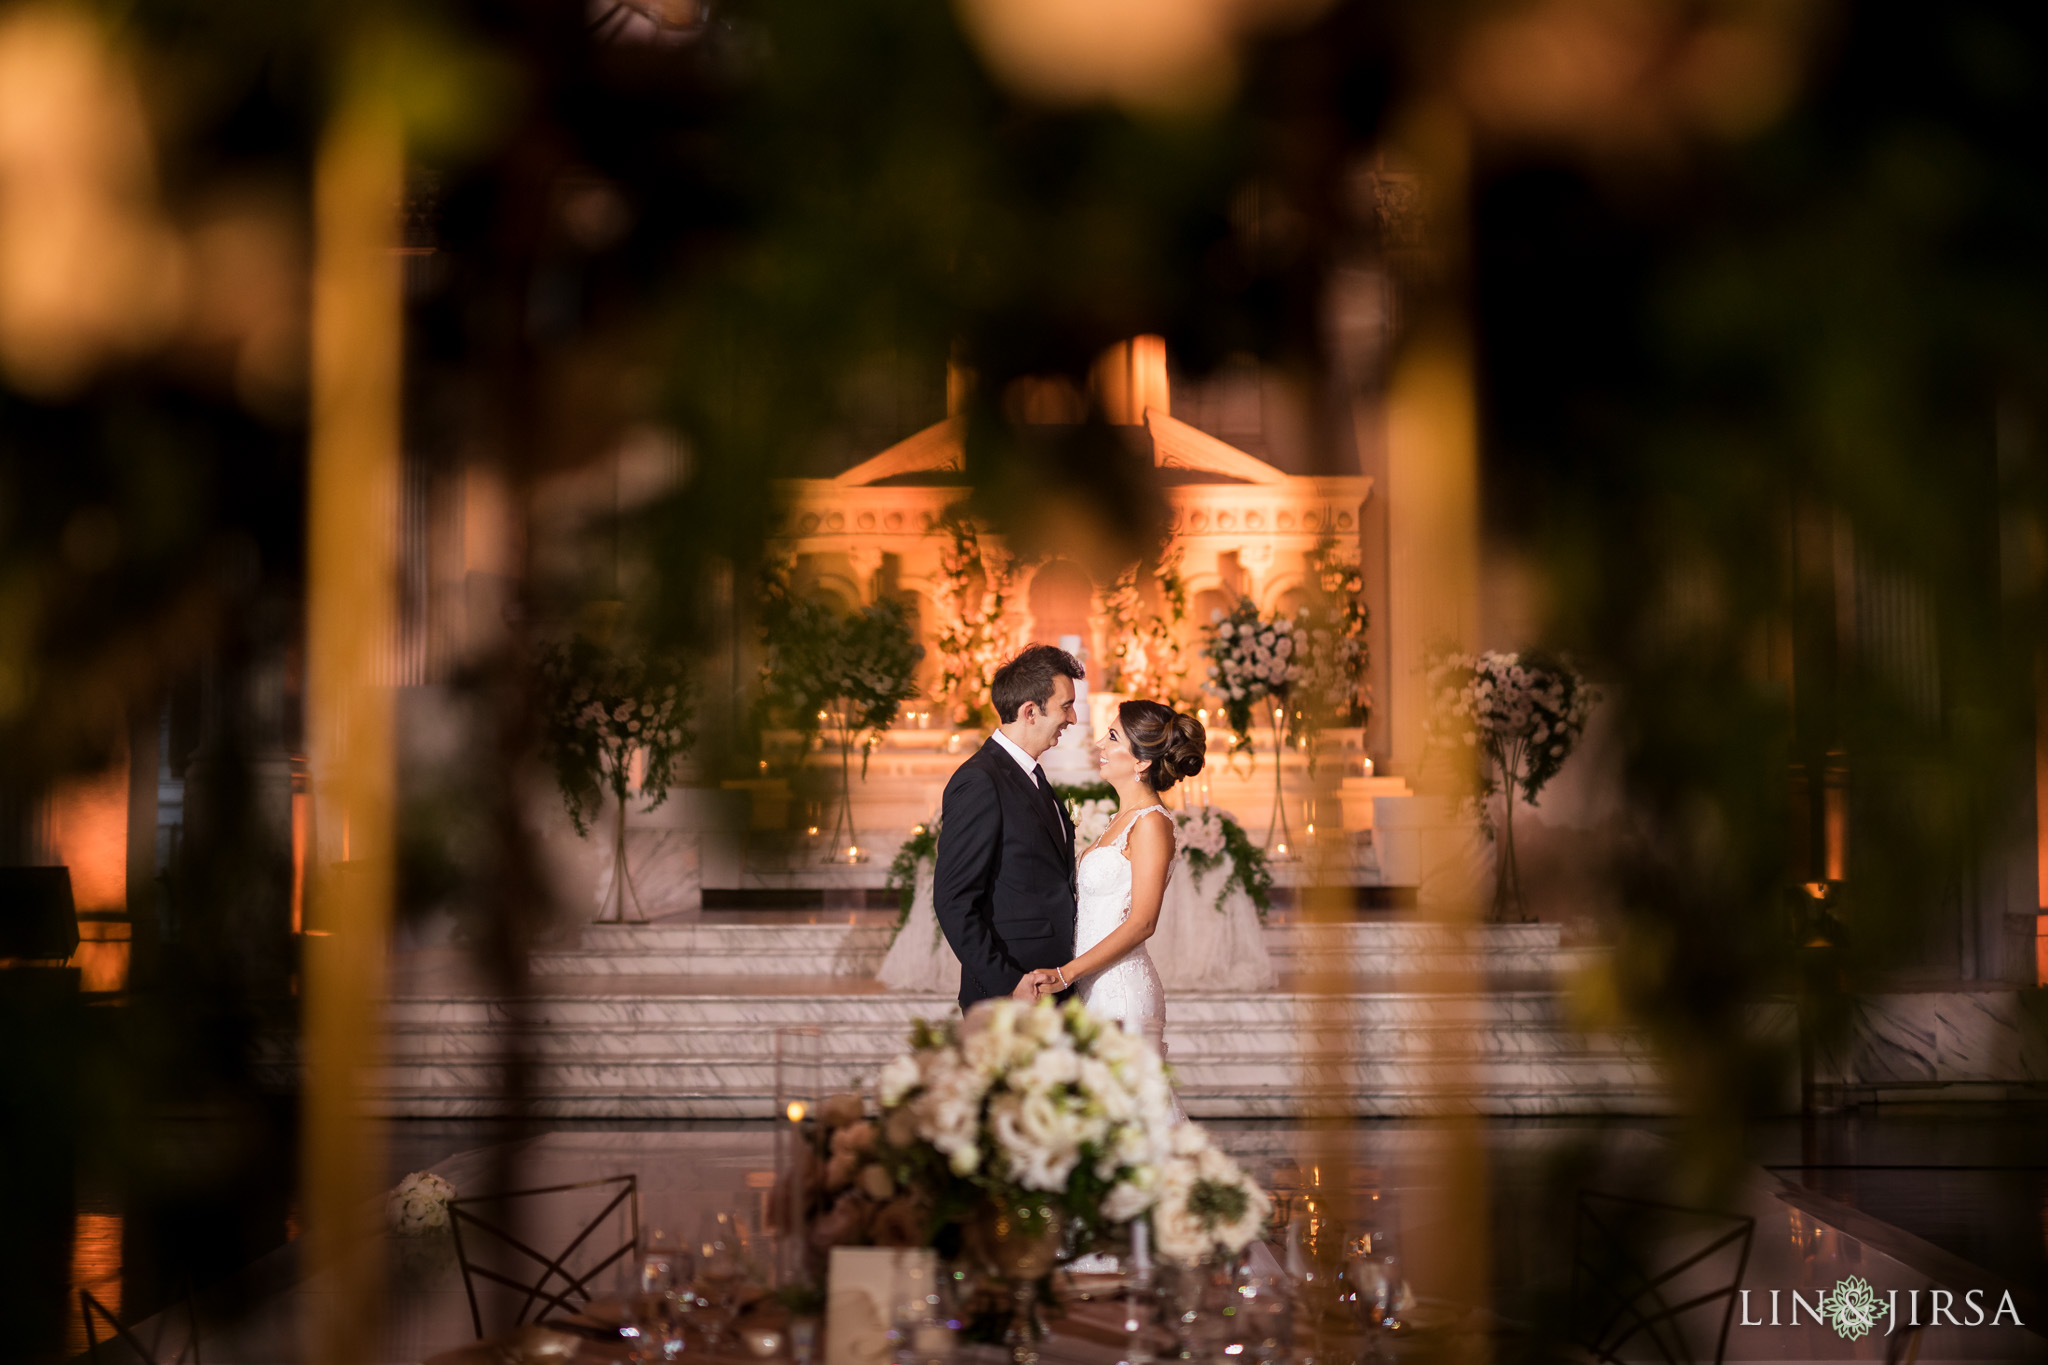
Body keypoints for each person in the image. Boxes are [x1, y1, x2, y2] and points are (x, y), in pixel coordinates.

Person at [1022, 699, 1206, 1062]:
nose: (1099, 746)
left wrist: (1066, 973)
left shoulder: (1152, 823)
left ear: (1141, 761)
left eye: (1112, 737)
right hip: (1091, 987)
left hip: (1121, 992)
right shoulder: (1119, 819)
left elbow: (1142, 922)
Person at [930, 643, 1085, 1011]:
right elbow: (953, 901)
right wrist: (1008, 983)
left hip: (1052, 988)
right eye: (1066, 706)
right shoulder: (980, 781)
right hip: (1011, 995)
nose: (1073, 719)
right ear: (1030, 712)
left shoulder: (1029, 773)